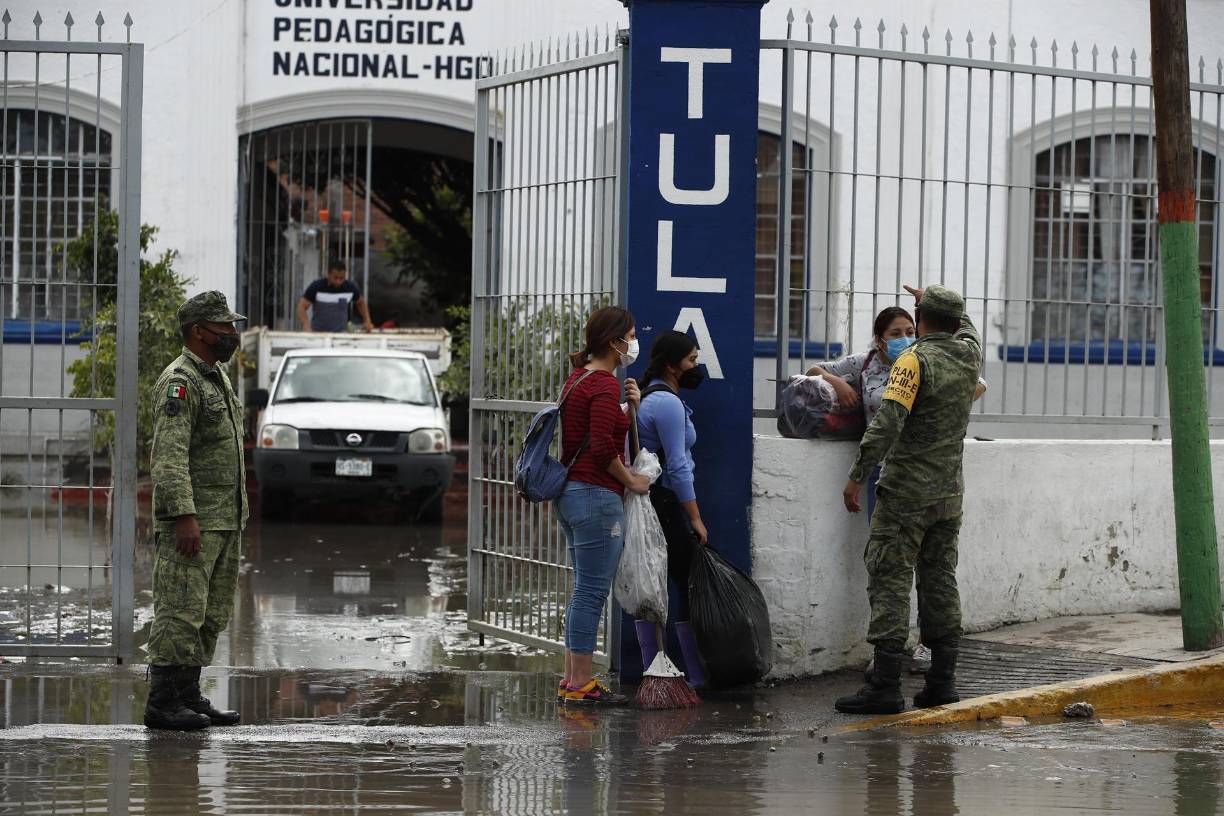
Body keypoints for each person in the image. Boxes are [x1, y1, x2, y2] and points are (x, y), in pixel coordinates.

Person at [809, 307, 986, 674]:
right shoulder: (869, 363)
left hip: (918, 476)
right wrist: (838, 381)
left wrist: (855, 475)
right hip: (889, 476)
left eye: (911, 328)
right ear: (880, 338)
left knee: (925, 569)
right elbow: (814, 371)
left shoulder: (924, 361)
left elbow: (888, 423)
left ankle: (915, 656)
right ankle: (910, 663)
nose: (905, 336)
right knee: (893, 567)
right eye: (896, 332)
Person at [144, 291, 248, 730]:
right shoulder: (179, 382)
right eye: (223, 327)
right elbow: (169, 457)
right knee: (180, 612)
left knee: (208, 614)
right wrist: (183, 516)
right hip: (195, 521)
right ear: (197, 331)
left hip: (223, 518)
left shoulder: (216, 376)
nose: (231, 333)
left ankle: (188, 696)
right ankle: (163, 704)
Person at [555, 306, 648, 706]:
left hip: (572, 495)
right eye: (629, 334)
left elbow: (599, 431)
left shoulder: (578, 379)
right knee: (591, 593)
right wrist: (632, 481)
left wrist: (632, 408)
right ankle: (580, 685)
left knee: (583, 591)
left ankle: (573, 681)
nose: (633, 342)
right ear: (614, 342)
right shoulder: (605, 384)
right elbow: (601, 445)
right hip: (596, 496)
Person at [634, 330, 709, 688]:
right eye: (691, 360)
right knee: (684, 579)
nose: (696, 366)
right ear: (671, 365)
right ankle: (694, 676)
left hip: (653, 501)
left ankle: (655, 671)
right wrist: (694, 517)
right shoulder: (665, 403)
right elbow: (677, 466)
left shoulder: (655, 399)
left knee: (653, 581)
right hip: (665, 502)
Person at [296, 259, 375, 333]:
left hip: (340, 335)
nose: (338, 281)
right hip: (318, 333)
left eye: (342, 278)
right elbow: (301, 306)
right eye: (335, 277)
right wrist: (306, 325)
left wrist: (367, 320)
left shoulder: (350, 287)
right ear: (328, 274)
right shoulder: (316, 286)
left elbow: (361, 303)